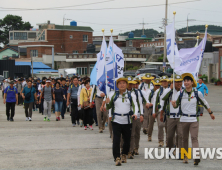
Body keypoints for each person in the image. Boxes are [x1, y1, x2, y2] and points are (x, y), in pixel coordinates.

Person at [171, 73, 215, 165]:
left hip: (194, 120)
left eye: (188, 81)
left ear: (192, 82)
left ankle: (196, 157)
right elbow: (176, 106)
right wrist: (174, 104)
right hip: (183, 119)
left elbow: (205, 103)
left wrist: (211, 113)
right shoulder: (180, 93)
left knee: (194, 138)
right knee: (184, 139)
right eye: (185, 81)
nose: (186, 82)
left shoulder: (197, 93)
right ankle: (185, 157)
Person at [106, 77, 138, 166]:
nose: (122, 85)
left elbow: (135, 105)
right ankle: (117, 157)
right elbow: (108, 107)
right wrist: (107, 103)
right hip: (116, 120)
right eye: (120, 83)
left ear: (127, 85)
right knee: (116, 140)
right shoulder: (113, 95)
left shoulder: (131, 95)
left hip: (127, 121)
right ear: (117, 85)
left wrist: (135, 114)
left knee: (127, 140)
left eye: (124, 83)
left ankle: (124, 154)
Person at [160, 74, 183, 159]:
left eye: (180, 81)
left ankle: (181, 152)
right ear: (173, 83)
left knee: (180, 135)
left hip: (180, 117)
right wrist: (170, 89)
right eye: (177, 82)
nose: (179, 83)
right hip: (170, 117)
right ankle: (170, 149)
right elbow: (162, 98)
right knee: (169, 136)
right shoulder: (169, 92)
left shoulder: (183, 91)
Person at [152, 76, 169, 147]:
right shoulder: (158, 91)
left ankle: (168, 140)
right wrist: (153, 111)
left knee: (168, 127)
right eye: (163, 81)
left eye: (166, 81)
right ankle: (161, 140)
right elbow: (155, 101)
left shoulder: (170, 90)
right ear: (161, 82)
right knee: (161, 125)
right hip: (160, 111)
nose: (164, 83)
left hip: (168, 111)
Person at [146, 78, 161, 143]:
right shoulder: (150, 92)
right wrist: (150, 104)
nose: (157, 87)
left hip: (159, 108)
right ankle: (149, 136)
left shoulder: (162, 91)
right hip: (152, 108)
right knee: (151, 124)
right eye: (156, 85)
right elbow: (147, 100)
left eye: (158, 85)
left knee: (160, 124)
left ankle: (160, 139)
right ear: (154, 85)